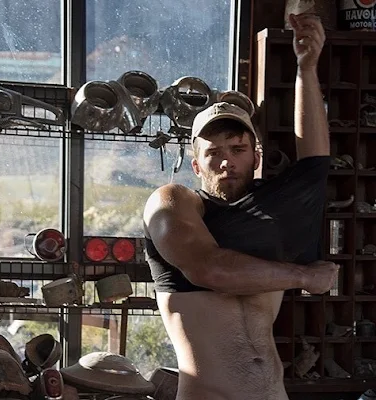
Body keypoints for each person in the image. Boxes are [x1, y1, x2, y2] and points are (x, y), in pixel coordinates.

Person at [143, 13, 339, 400]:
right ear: (196, 165)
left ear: (256, 157)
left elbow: (315, 163)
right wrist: (303, 276)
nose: (226, 162)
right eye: (213, 152)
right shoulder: (174, 202)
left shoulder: (268, 214)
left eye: (237, 149)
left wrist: (306, 68)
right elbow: (211, 269)